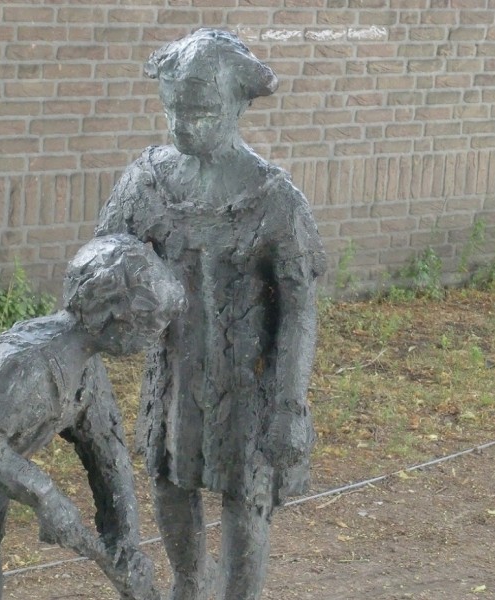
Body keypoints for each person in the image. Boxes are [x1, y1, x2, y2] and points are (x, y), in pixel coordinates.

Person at [95, 28, 327, 600]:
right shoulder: (147, 180)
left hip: (249, 382)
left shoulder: (274, 199)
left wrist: (291, 404)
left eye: (198, 110)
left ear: (238, 103)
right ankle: (188, 585)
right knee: (170, 480)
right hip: (173, 371)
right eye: (172, 109)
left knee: (244, 496)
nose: (181, 124)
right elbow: (104, 258)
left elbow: (300, 306)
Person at [0, 234, 185, 600]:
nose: (154, 338)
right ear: (111, 315)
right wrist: (46, 496)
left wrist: (125, 543)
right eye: (150, 325)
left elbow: (109, 454)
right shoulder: (29, 363)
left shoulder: (87, 367)